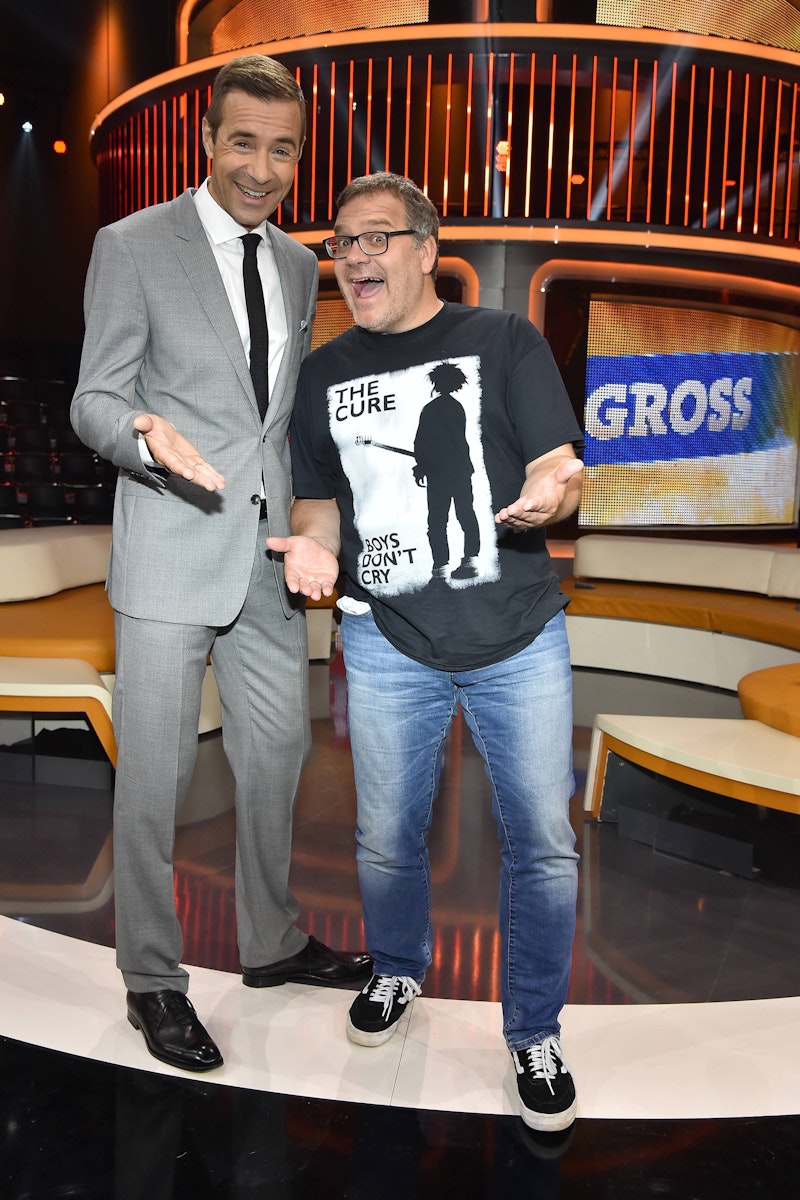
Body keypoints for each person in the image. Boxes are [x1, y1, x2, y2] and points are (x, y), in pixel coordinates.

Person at [71, 55, 371, 1073]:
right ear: (207, 139)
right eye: (242, 142)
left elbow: (270, 419)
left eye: (282, 149)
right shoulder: (131, 245)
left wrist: (315, 520)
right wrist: (143, 433)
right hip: (168, 543)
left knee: (279, 755)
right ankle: (152, 977)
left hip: (265, 556)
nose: (260, 168)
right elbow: (95, 396)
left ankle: (271, 938)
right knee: (155, 776)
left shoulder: (295, 264)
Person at [266, 172, 584, 1133]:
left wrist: (554, 492)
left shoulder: (504, 339)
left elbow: (555, 464)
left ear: (425, 248)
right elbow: (318, 497)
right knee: (384, 838)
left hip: (517, 634)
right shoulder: (323, 373)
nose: (354, 256)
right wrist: (314, 543)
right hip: (385, 637)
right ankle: (398, 969)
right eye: (341, 242)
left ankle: (534, 1031)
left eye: (376, 238)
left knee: (544, 846)